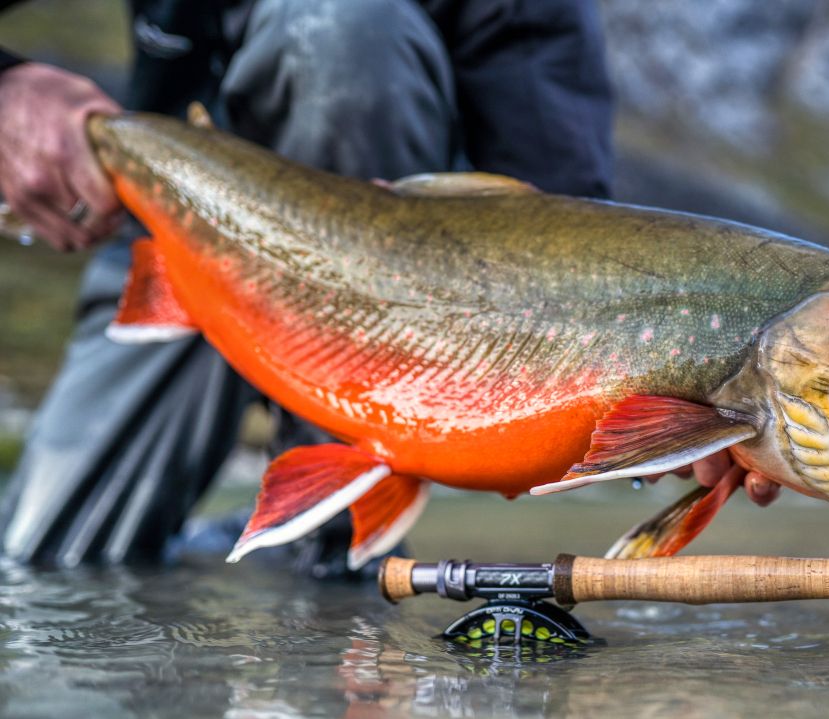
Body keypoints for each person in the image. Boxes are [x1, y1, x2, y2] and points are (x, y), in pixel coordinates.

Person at [0, 0, 778, 574]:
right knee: (39, 562)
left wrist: (663, 401)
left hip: (416, 310)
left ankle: (332, 548)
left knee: (346, 25)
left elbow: (579, 248)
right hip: (179, 236)